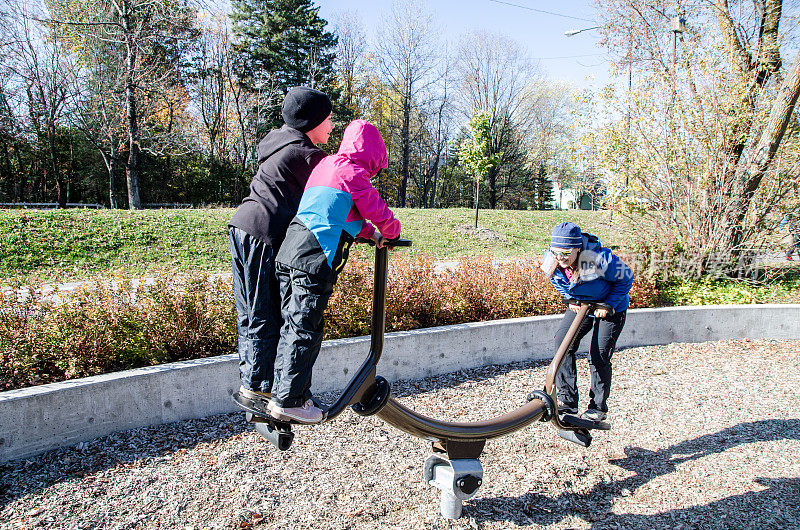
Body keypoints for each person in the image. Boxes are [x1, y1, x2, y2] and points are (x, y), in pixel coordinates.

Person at [264, 119, 401, 424]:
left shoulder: (328, 166)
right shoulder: (353, 172)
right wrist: (390, 233)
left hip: (291, 251)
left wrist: (370, 234)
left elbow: (342, 213)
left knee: (292, 326)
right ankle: (290, 401)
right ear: (372, 154)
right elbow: (378, 212)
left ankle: (283, 394)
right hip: (315, 257)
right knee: (305, 328)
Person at [229, 87, 333, 410]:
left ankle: (252, 384)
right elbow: (336, 190)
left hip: (241, 226)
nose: (332, 125)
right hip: (264, 232)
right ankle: (261, 389)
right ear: (310, 122)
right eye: (328, 119)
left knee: (250, 312)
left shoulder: (279, 145)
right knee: (265, 312)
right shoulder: (307, 155)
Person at [540, 221, 633, 423]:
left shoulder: (598, 259)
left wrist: (608, 304)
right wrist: (570, 298)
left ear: (577, 249)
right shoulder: (552, 260)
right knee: (562, 345)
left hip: (611, 307)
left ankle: (597, 408)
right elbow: (557, 281)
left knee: (598, 354)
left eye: (565, 253)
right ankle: (568, 401)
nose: (560, 258)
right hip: (582, 305)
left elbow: (626, 277)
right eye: (556, 252)